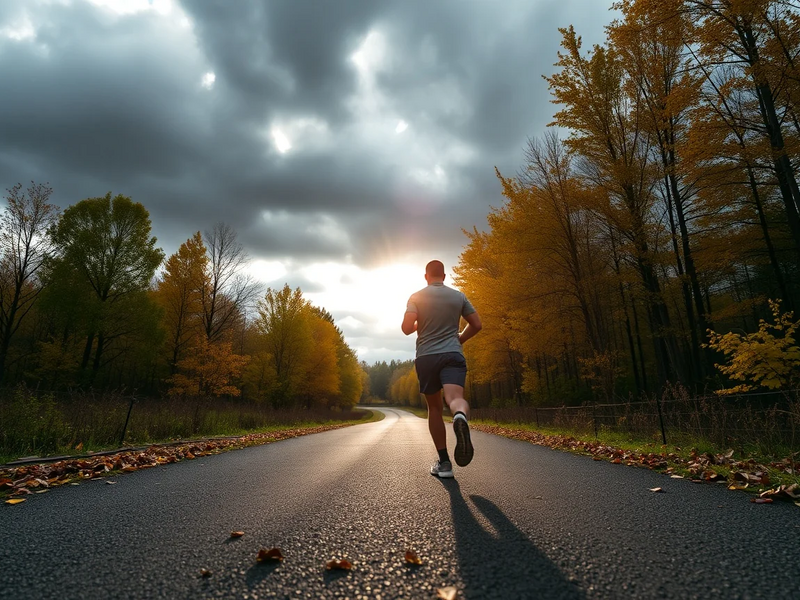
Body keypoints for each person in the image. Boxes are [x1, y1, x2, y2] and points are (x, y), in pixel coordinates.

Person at [401, 260, 482, 478]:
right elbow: (476, 324)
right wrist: (460, 339)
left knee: (434, 409)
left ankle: (445, 463)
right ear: (444, 276)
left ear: (426, 276)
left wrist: (422, 322)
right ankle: (459, 417)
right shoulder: (459, 296)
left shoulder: (416, 297)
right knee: (455, 398)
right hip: (452, 354)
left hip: (427, 357)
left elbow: (407, 328)